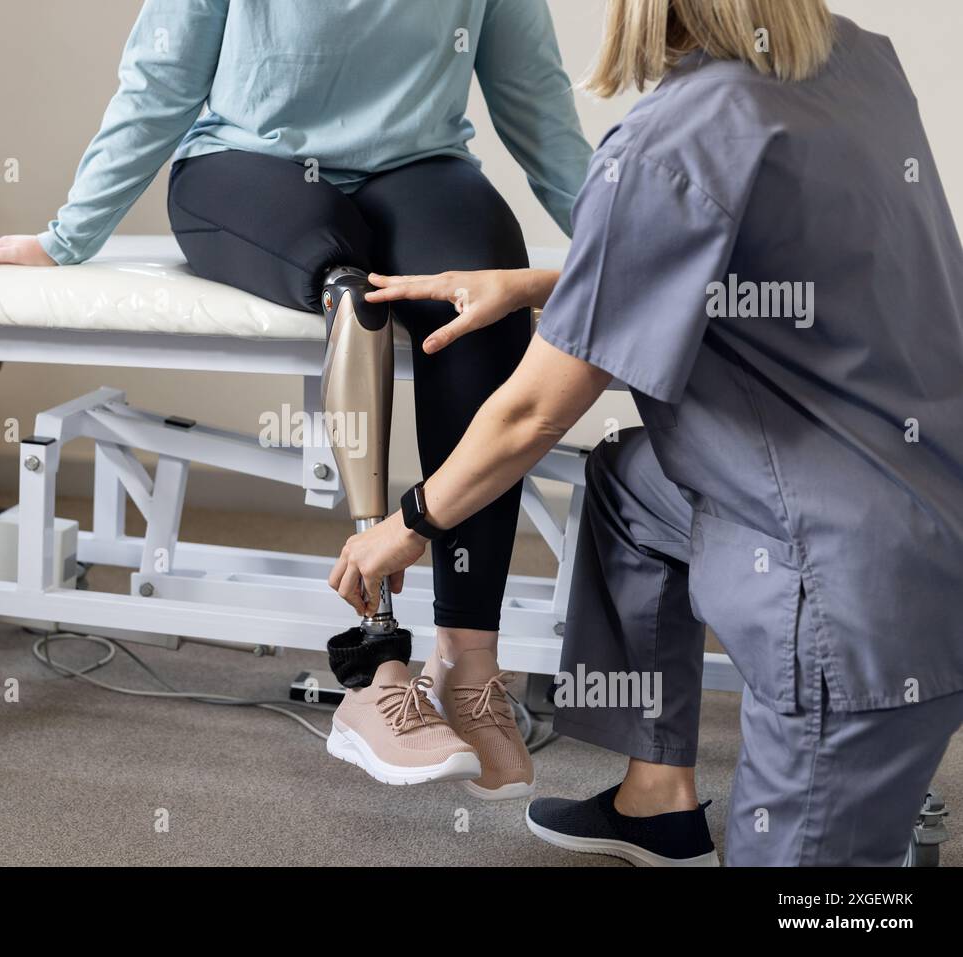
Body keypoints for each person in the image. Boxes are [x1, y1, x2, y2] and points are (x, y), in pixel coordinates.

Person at [332, 0, 963, 865]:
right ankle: (655, 800)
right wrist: (539, 286)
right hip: (932, 503)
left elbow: (534, 411)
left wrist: (403, 528)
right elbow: (767, 253)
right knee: (631, 482)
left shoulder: (667, 140)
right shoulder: (858, 62)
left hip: (850, 597)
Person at [0, 0, 594, 798]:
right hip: (245, 169)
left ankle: (467, 658)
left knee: (480, 301)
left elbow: (536, 101)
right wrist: (64, 238)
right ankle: (376, 666)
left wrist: (625, 252)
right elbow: (162, 77)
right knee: (352, 296)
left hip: (417, 168)